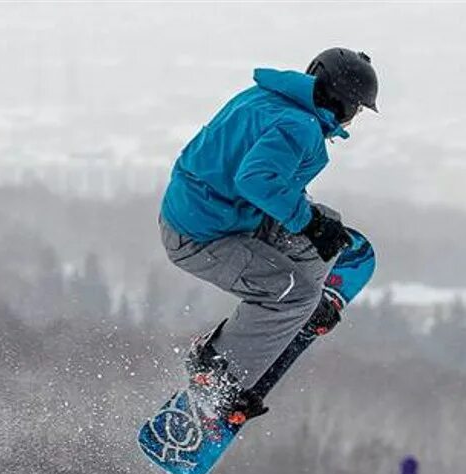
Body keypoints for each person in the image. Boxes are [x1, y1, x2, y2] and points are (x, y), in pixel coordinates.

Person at [158, 49, 379, 422]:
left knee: (329, 231)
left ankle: (297, 310)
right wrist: (306, 222)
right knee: (292, 293)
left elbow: (258, 175)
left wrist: (314, 223)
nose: (354, 117)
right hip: (201, 236)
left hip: (223, 214)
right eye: (355, 107)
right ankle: (214, 375)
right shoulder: (300, 126)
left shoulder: (270, 98)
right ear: (339, 99)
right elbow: (256, 180)